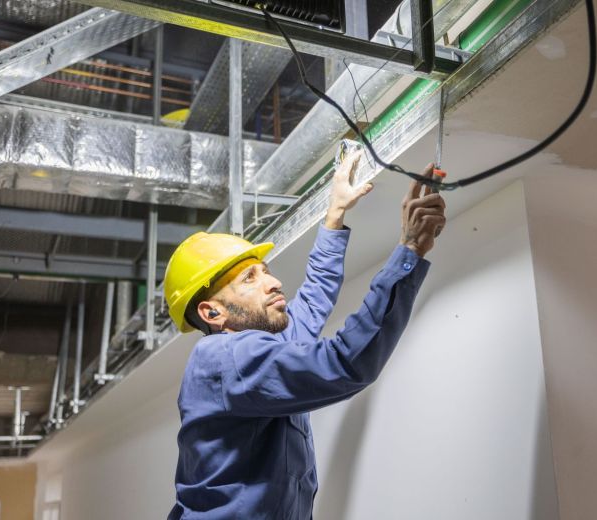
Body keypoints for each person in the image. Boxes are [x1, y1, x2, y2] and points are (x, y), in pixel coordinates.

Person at [163, 153, 447, 519]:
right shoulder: (226, 357)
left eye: (265, 271)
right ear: (212, 313)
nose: (274, 282)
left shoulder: (261, 351)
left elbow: (312, 300)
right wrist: (410, 250)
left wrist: (334, 215)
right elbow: (345, 363)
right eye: (250, 278)